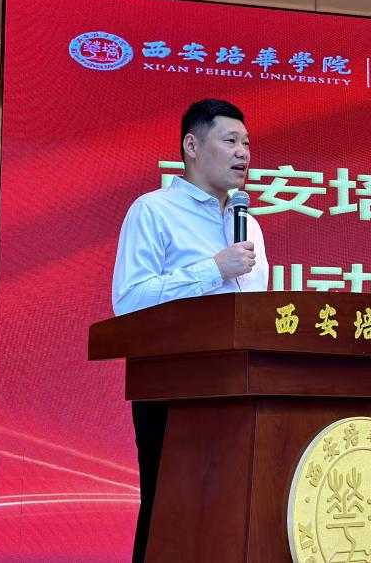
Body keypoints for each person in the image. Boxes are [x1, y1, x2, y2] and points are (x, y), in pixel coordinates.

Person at [111, 98, 268, 563]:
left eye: (247, 143)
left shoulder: (250, 226)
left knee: (235, 514)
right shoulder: (153, 211)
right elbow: (129, 301)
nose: (243, 153)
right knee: (171, 514)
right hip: (173, 389)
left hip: (240, 390)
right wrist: (213, 270)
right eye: (231, 140)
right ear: (192, 146)